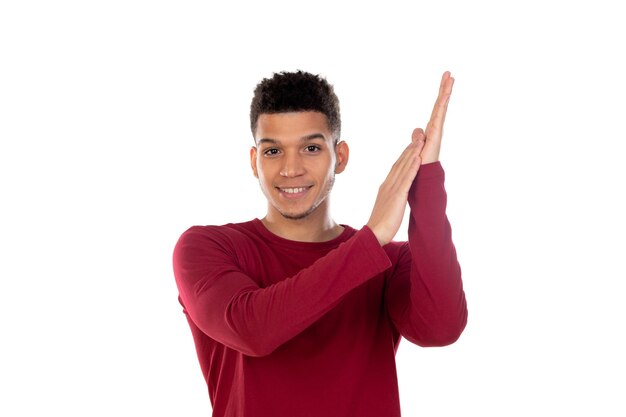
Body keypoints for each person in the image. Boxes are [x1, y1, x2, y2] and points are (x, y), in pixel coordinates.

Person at [172, 70, 468, 417]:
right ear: (254, 161)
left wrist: (426, 179)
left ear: (339, 156)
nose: (291, 168)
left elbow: (441, 328)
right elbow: (253, 330)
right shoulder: (207, 247)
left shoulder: (386, 261)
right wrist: (370, 241)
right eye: (273, 151)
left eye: (311, 148)